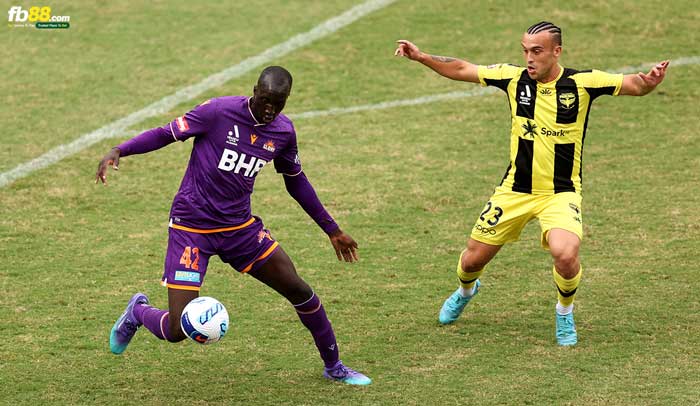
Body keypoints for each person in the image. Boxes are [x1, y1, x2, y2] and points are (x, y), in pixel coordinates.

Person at [394, 22, 668, 346]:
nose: (529, 58)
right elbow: (462, 68)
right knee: (471, 261)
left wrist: (650, 81)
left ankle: (564, 313)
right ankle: (466, 291)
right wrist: (421, 56)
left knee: (565, 255)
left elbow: (634, 84)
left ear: (556, 51)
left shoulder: (582, 83)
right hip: (515, 190)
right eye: (525, 50)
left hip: (560, 193)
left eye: (536, 51)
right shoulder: (512, 79)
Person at [96, 66, 371, 385]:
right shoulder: (217, 112)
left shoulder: (283, 132)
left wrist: (332, 229)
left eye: (278, 103)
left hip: (241, 230)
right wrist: (120, 150)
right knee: (176, 330)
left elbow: (296, 182)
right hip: (192, 230)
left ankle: (334, 367)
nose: (270, 109)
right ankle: (138, 311)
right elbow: (165, 133)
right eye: (266, 99)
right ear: (254, 90)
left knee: (300, 290)